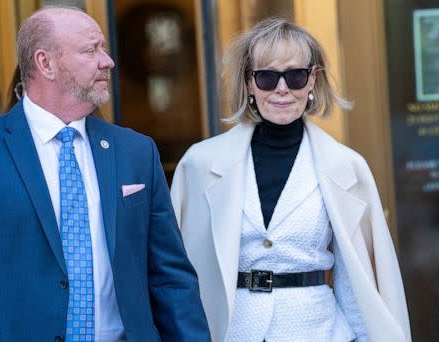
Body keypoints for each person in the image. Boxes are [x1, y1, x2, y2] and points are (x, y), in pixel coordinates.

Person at [0, 6, 209, 342]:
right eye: (90, 50)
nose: (107, 61)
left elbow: (171, 280)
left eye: (104, 49)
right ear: (45, 63)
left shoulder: (136, 152)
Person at [171, 18, 411, 342]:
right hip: (230, 332)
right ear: (249, 82)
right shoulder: (199, 164)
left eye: (295, 76)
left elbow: (357, 279)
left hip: (319, 331)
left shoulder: (347, 167)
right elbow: (179, 273)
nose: (282, 89)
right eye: (267, 77)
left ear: (312, 80)